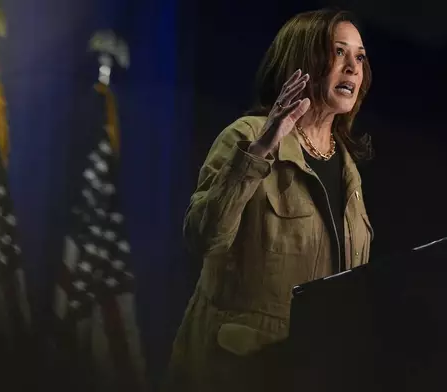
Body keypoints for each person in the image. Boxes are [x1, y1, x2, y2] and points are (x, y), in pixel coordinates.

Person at [162, 8, 374, 392]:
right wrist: (261, 149)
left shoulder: (348, 167)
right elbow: (203, 237)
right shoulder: (247, 137)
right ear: (304, 61)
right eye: (338, 52)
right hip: (239, 372)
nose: (353, 67)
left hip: (318, 370)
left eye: (359, 56)